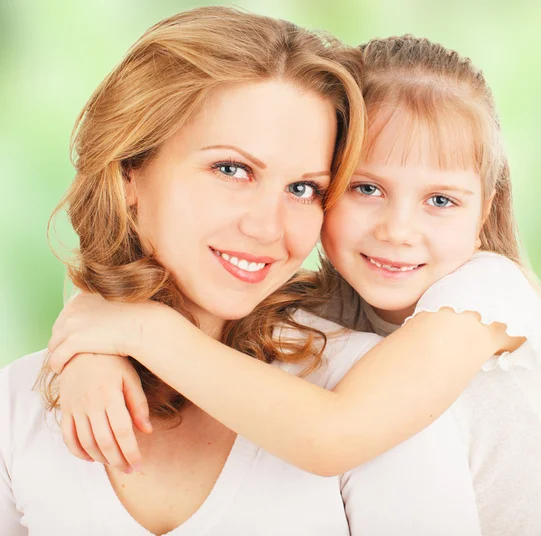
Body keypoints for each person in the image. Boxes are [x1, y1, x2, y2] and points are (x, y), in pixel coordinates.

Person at [49, 34, 541, 535]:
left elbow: (332, 437)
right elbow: (174, 287)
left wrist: (142, 333)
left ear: (485, 214)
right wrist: (92, 354)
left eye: (440, 200)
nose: (398, 231)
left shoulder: (487, 295)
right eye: (365, 188)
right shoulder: (333, 296)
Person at [0, 8, 484, 536]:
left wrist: (132, 326)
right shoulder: (18, 404)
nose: (266, 227)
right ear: (129, 172)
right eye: (231, 170)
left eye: (304, 189)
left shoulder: (369, 391)